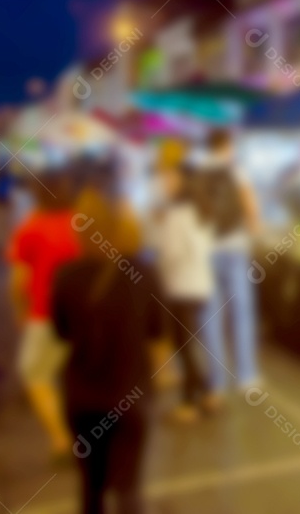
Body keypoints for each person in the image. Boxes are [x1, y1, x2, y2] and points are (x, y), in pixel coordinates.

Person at [53, 186, 166, 514]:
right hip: (132, 394)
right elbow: (157, 332)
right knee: (129, 488)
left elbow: (61, 333)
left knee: (91, 489)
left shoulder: (67, 276)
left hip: (83, 396)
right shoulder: (145, 274)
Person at [6, 171, 80, 457]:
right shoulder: (82, 222)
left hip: (45, 313)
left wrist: (19, 310)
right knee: (74, 373)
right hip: (85, 312)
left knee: (35, 374)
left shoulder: (29, 229)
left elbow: (17, 281)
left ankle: (62, 439)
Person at [198, 129, 262, 400]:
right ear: (228, 146)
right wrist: (255, 232)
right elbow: (250, 208)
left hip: (207, 249)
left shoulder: (197, 174)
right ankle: (246, 376)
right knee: (241, 312)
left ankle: (217, 381)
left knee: (211, 316)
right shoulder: (237, 171)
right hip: (236, 248)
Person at [154, 164, 213, 423]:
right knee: (190, 345)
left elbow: (171, 254)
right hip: (200, 284)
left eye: (169, 177)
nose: (164, 182)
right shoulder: (202, 210)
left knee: (184, 347)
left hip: (180, 287)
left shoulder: (177, 214)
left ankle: (190, 404)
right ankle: (208, 394)